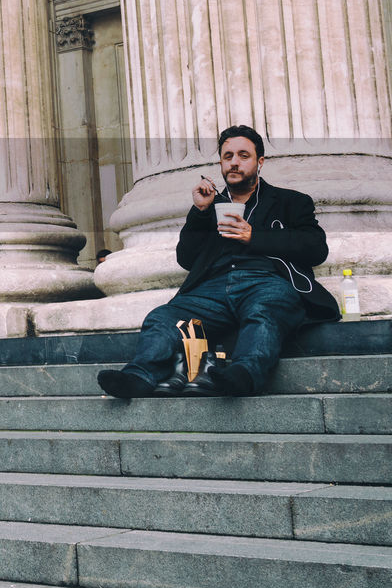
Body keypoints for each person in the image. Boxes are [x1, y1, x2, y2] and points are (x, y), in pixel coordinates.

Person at [98, 125, 339, 399]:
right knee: (163, 317)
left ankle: (244, 374)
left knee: (264, 310)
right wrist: (200, 212)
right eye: (228, 156)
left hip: (266, 282)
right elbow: (186, 258)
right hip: (212, 290)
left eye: (243, 155)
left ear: (260, 162)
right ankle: (138, 377)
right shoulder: (211, 204)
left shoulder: (291, 202)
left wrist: (254, 236)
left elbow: (316, 248)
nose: (234, 162)